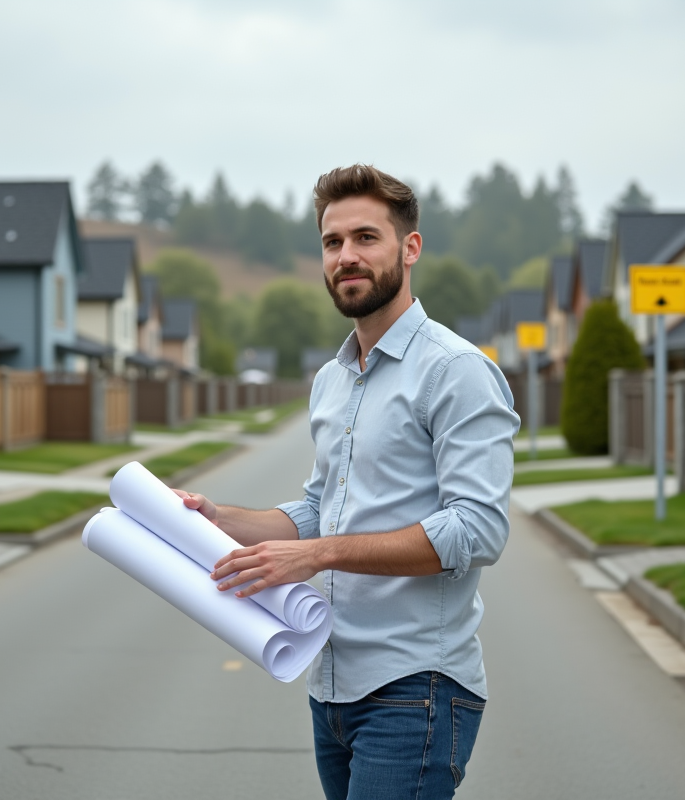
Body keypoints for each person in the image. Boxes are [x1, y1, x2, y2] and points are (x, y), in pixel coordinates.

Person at [176, 164, 519, 799]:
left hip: (417, 686)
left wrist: (319, 555)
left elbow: (479, 529)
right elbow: (319, 509)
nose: (347, 257)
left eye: (366, 237)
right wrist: (214, 516)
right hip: (331, 686)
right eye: (333, 243)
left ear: (410, 247)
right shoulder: (331, 380)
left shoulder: (457, 371)